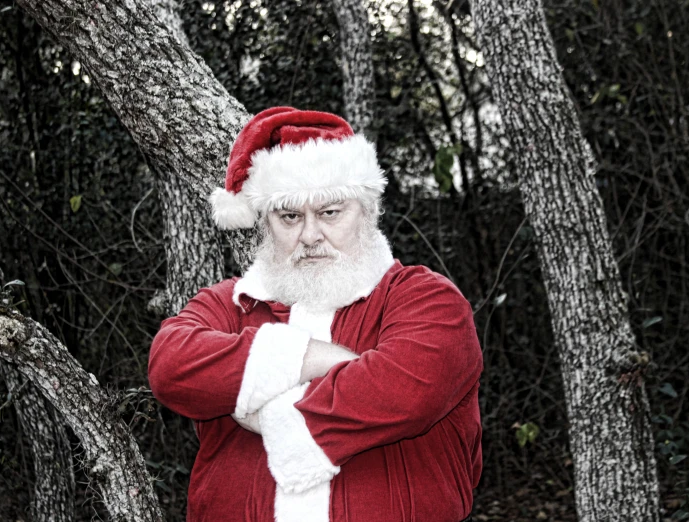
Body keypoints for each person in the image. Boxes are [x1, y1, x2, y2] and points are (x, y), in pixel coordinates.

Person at [148, 106, 483, 522]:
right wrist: (317, 358)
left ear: (367, 212)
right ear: (266, 225)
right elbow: (170, 366)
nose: (309, 236)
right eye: (290, 216)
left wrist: (261, 401)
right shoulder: (232, 303)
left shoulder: (425, 299)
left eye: (330, 213)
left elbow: (409, 390)